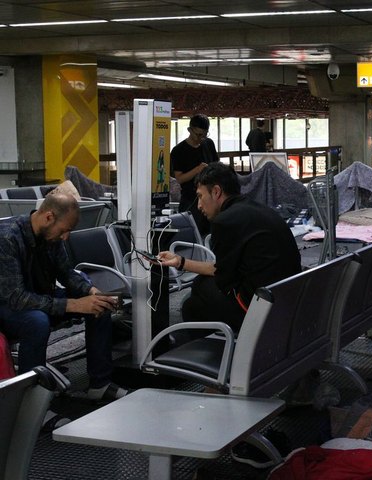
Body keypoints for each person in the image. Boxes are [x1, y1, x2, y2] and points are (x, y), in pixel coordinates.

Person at [0, 193, 127, 401]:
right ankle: (30, 401)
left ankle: (100, 383)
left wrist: (90, 292)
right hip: (7, 306)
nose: (66, 237)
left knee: (98, 305)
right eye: (65, 230)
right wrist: (75, 304)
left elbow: (66, 273)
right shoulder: (7, 238)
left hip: (37, 298)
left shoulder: (51, 235)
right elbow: (17, 298)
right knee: (37, 322)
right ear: (48, 217)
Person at [157, 162, 301, 334]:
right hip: (289, 302)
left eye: (201, 196)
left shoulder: (225, 221)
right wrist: (180, 262)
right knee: (200, 289)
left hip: (261, 309)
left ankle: (215, 356)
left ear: (216, 192)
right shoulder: (259, 210)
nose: (199, 205)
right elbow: (222, 269)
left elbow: (223, 280)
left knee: (193, 301)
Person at [170, 114, 219, 236]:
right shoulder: (178, 151)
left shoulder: (208, 144)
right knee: (192, 235)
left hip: (210, 199)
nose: (201, 138)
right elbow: (180, 179)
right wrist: (197, 169)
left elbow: (217, 165)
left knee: (211, 234)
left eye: (204, 135)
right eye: (198, 134)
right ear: (189, 130)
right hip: (190, 199)